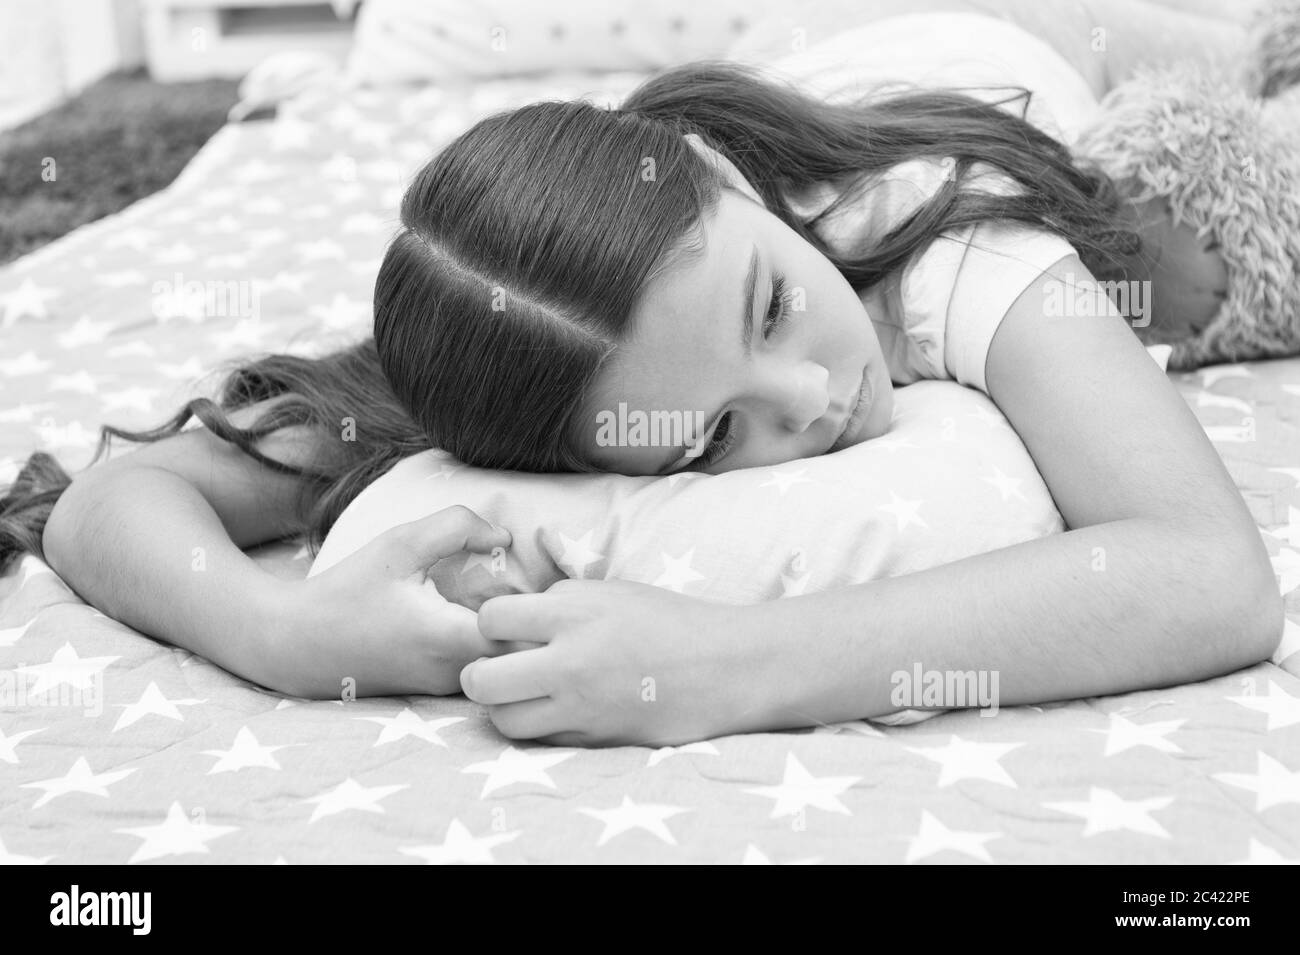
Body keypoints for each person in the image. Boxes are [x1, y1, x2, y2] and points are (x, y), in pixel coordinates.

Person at [2, 2, 1282, 747]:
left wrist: (733, 665)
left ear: (723, 179)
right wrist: (278, 632)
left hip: (1011, 33)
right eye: (711, 438)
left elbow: (1209, 574)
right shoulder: (546, 330)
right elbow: (108, 501)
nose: (808, 398)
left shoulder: (960, 236)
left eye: (772, 302)